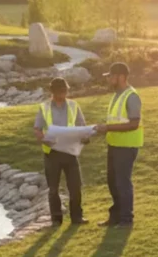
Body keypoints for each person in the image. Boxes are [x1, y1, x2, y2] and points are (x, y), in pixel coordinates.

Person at [33, 77, 88, 226]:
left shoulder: (73, 105)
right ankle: (56, 220)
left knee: (75, 187)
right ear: (53, 91)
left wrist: (85, 136)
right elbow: (37, 129)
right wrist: (44, 139)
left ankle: (77, 217)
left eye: (65, 90)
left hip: (70, 152)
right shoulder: (44, 107)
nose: (64, 93)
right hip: (52, 153)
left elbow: (81, 126)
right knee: (53, 189)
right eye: (61, 91)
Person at [93, 62, 143, 228]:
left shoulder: (131, 96)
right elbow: (116, 120)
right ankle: (115, 216)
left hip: (127, 146)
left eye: (111, 76)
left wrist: (107, 128)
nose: (108, 79)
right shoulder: (116, 95)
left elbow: (134, 124)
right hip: (114, 144)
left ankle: (126, 219)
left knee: (122, 182)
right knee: (113, 181)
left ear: (121, 77)